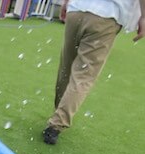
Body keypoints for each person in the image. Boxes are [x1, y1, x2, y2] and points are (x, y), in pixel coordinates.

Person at [43, 0, 145, 145]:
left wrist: (66, 2)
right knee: (83, 76)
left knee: (66, 67)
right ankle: (56, 123)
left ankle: (58, 114)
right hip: (107, 17)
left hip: (77, 9)